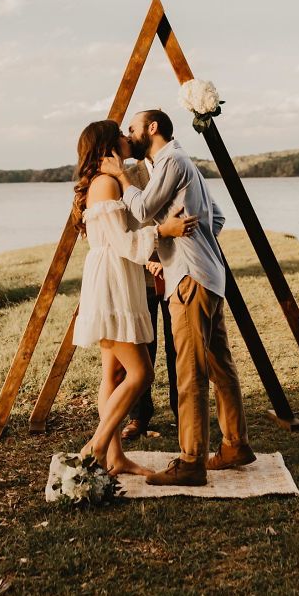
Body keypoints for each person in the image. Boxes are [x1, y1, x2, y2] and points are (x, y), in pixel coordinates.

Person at [101, 109, 256, 487]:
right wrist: (187, 244)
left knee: (190, 373)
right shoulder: (183, 163)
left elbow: (142, 209)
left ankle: (190, 462)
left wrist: (121, 176)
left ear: (152, 128)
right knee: (219, 365)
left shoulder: (171, 161)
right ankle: (234, 445)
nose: (129, 135)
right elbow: (216, 218)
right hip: (208, 275)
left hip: (188, 279)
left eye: (133, 129)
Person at [71, 119, 198, 477]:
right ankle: (96, 447)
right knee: (140, 373)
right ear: (109, 145)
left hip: (116, 275)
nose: (128, 138)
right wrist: (163, 231)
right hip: (112, 281)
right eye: (121, 135)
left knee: (112, 373)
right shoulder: (106, 183)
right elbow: (125, 244)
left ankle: (116, 457)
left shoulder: (109, 180)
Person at [121, 159, 179, 440]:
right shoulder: (128, 174)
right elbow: (123, 227)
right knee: (143, 345)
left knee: (179, 346)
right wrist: (148, 256)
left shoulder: (176, 167)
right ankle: (139, 416)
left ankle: (184, 413)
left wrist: (168, 259)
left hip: (176, 270)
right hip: (140, 274)